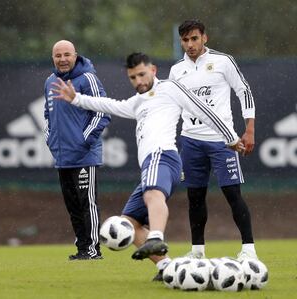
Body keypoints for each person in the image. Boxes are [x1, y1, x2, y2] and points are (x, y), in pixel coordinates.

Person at [51, 52, 244, 280]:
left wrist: (230, 137)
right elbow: (110, 105)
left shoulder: (170, 88)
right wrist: (76, 99)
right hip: (151, 167)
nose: (138, 81)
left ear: (153, 70)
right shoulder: (138, 102)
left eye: (142, 74)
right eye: (133, 77)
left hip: (162, 156)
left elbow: (204, 110)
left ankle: (155, 238)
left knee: (153, 194)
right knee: (129, 224)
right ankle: (168, 269)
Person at [169, 19, 257, 260]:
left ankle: (249, 249)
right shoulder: (177, 70)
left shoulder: (223, 61)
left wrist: (249, 129)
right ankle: (197, 251)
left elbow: (244, 90)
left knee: (232, 193)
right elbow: (174, 106)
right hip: (190, 142)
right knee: (195, 197)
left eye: (194, 38)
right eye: (185, 40)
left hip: (223, 141)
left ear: (204, 38)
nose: (190, 44)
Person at [43, 40, 111, 260]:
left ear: (75, 55)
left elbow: (102, 112)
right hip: (62, 157)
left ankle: (93, 250)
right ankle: (82, 248)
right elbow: (47, 116)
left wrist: (83, 141)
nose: (62, 59)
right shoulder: (50, 82)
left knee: (87, 203)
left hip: (84, 155)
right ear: (53, 57)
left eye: (67, 55)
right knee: (72, 205)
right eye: (58, 55)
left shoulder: (88, 78)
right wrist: (51, 140)